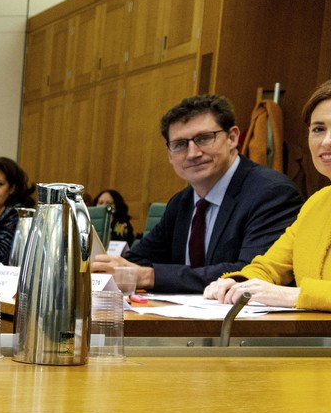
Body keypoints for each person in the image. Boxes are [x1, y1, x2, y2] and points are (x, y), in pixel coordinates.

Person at [92, 93, 302, 293]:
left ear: (232, 138)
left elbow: (249, 274)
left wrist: (149, 277)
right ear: (169, 155)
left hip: (245, 326)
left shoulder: (272, 194)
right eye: (180, 144)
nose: (193, 153)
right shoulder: (181, 203)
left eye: (203, 138)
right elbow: (138, 261)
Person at [204, 75, 331, 313]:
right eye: (318, 129)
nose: (327, 141)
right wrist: (236, 283)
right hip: (310, 342)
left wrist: (299, 295)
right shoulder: (317, 203)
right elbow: (270, 267)